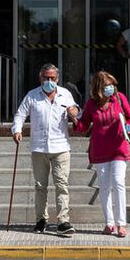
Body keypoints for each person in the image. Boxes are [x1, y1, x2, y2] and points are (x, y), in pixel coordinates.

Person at [11, 63, 80, 236]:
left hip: (61, 146)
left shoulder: (65, 94)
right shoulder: (32, 95)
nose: (49, 81)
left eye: (52, 78)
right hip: (39, 146)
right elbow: (20, 114)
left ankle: (63, 221)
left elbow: (76, 112)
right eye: (46, 78)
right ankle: (41, 219)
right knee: (40, 186)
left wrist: (74, 112)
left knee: (62, 185)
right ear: (40, 78)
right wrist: (17, 130)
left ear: (58, 78)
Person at [73, 70, 130, 237]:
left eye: (112, 85)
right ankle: (109, 223)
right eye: (107, 86)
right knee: (104, 186)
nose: (111, 88)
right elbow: (83, 126)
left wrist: (129, 128)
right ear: (98, 88)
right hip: (100, 149)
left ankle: (121, 223)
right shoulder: (91, 104)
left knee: (118, 182)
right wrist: (73, 119)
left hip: (119, 147)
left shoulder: (120, 99)